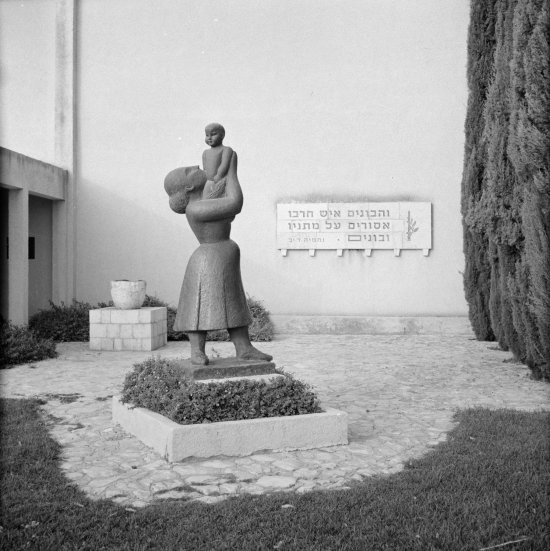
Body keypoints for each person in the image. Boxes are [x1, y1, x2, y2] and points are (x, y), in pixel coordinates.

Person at [164, 151, 272, 366]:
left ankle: (244, 348)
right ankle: (197, 351)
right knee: (197, 307)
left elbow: (225, 204)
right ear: (188, 187)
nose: (195, 166)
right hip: (208, 260)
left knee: (235, 303)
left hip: (222, 256)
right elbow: (234, 203)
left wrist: (221, 170)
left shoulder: (206, 202)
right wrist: (232, 169)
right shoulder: (197, 208)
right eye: (189, 171)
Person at [202, 123, 233, 199]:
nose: (209, 138)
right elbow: (205, 167)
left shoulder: (226, 150)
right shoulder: (205, 152)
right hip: (208, 182)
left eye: (213, 134)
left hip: (219, 181)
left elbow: (224, 164)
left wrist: (219, 175)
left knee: (217, 199)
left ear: (222, 135)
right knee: (205, 199)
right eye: (207, 135)